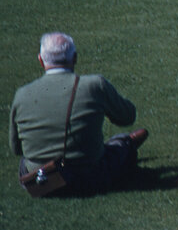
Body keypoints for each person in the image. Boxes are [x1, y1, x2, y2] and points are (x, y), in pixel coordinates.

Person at [9, 32, 148, 196]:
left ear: (41, 59)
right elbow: (127, 117)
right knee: (122, 145)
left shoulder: (22, 94)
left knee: (27, 162)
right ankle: (127, 142)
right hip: (88, 177)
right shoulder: (94, 85)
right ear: (74, 58)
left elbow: (16, 148)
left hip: (41, 180)